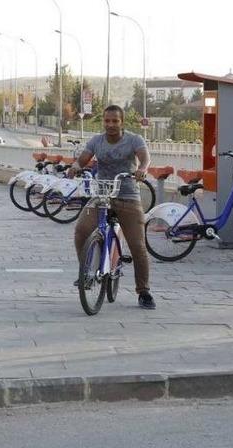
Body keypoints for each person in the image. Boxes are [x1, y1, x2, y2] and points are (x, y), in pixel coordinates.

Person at [68, 105, 156, 309]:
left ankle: (143, 291)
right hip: (101, 196)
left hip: (128, 196)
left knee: (137, 246)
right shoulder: (96, 141)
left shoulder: (134, 140)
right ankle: (86, 272)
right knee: (81, 231)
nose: (110, 125)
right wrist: (76, 167)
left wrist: (142, 169)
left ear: (122, 122)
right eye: (107, 121)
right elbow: (83, 159)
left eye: (115, 121)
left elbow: (145, 157)